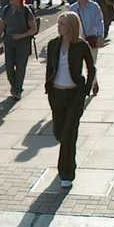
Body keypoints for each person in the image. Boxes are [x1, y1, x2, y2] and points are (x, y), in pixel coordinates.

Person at [44, 12, 95, 189]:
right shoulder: (53, 45)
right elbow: (50, 69)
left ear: (71, 26)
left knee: (68, 136)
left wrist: (86, 91)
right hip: (57, 95)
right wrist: (48, 88)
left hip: (74, 95)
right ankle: (66, 165)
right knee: (59, 132)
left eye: (62, 24)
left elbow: (91, 69)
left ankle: (66, 173)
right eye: (58, 24)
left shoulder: (81, 46)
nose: (59, 27)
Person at [0, 0, 37, 100]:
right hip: (9, 41)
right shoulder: (7, 9)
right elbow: (2, 25)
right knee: (9, 67)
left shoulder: (26, 10)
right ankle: (15, 87)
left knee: (20, 68)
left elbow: (34, 29)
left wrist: (21, 36)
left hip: (23, 43)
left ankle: (17, 90)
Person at [69, 0, 103, 96]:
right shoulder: (73, 8)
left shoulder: (94, 7)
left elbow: (99, 22)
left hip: (92, 38)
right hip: (78, 40)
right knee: (81, 65)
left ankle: (92, 83)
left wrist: (100, 36)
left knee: (91, 63)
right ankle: (93, 82)